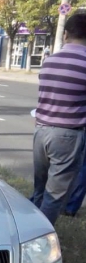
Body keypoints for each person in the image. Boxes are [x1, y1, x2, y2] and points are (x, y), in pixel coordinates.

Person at [31, 12, 86, 224]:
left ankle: (29, 229)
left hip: (41, 131)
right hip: (68, 136)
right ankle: (39, 239)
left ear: (65, 35)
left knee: (39, 189)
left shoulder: (49, 61)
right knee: (54, 196)